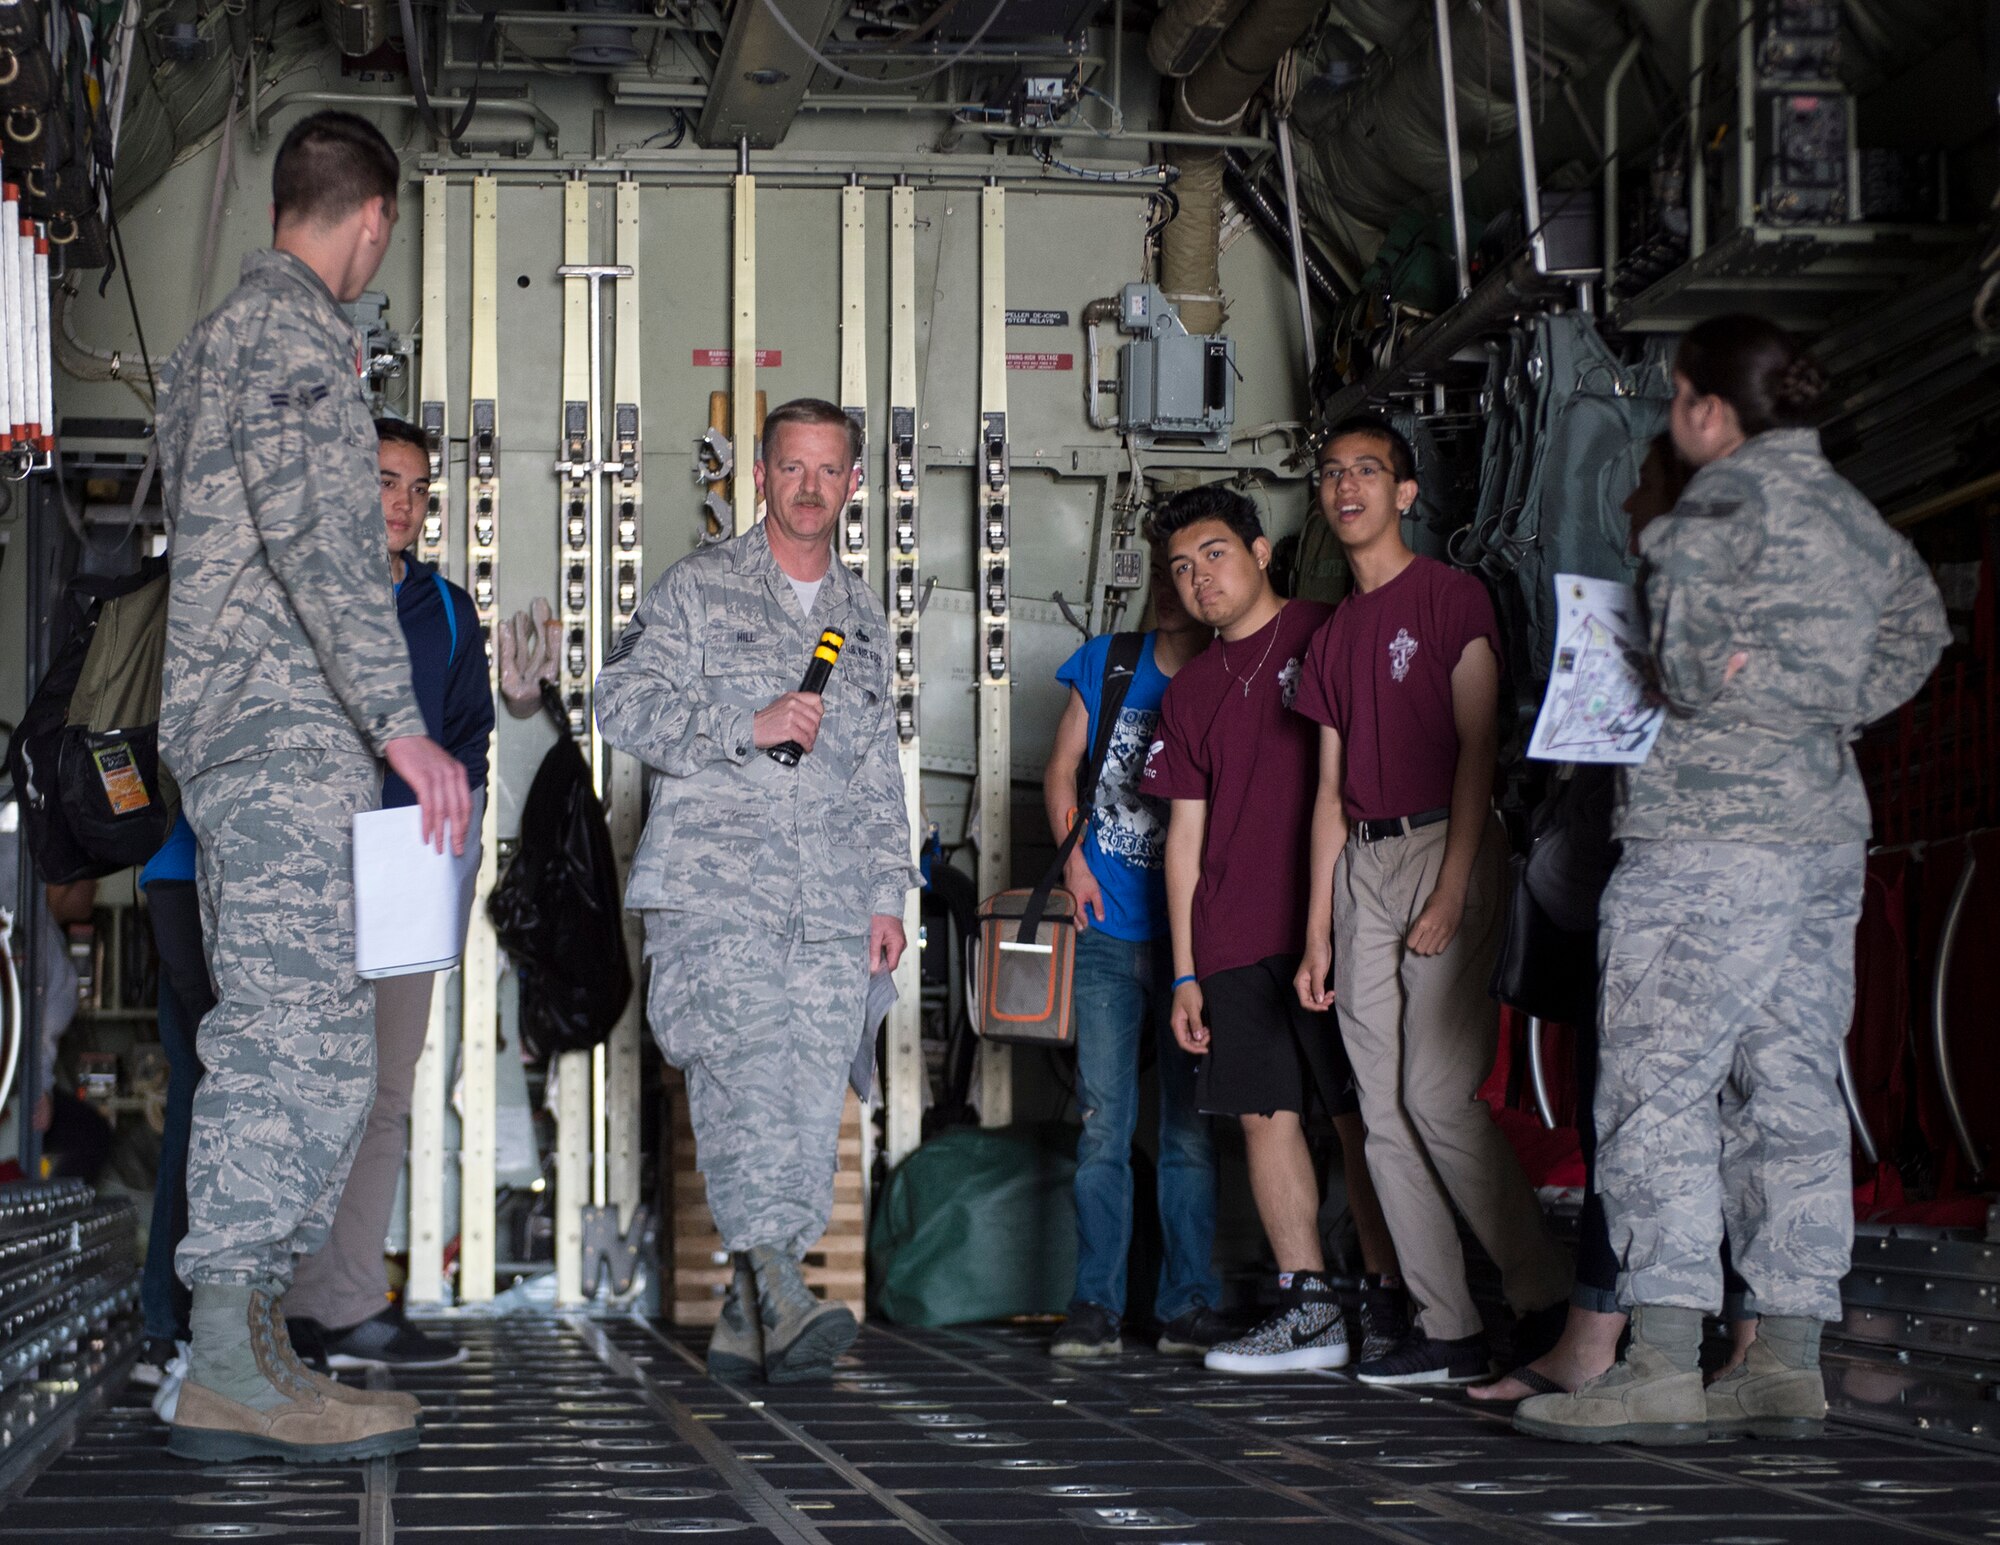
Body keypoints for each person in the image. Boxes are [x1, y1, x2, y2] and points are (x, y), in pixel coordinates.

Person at [1516, 315, 1948, 1445]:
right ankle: (1783, 1358)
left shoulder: (1707, 512)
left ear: (1706, 408)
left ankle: (1657, 1363)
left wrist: (1694, 676)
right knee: (1791, 1089)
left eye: (1674, 402)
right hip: (1817, 835)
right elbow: (1916, 630)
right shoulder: (1851, 518)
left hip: (1706, 838)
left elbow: (1697, 674)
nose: (1672, 421)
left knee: (1657, 1087)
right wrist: (1822, 712)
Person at [156, 109, 470, 1465]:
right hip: (279, 731)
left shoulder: (223, 341)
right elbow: (326, 547)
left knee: (324, 1046)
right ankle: (226, 1351)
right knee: (286, 1038)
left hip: (282, 731)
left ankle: (264, 1344)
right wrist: (403, 726)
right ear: (373, 220)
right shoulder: (291, 336)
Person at [596, 397, 914, 1384]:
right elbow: (621, 703)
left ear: (853, 483)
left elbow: (872, 768)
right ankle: (781, 1284)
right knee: (739, 1080)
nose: (809, 487)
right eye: (791, 468)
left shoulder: (861, 616)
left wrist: (885, 894)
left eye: (829, 470)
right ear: (760, 476)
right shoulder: (696, 589)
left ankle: (745, 1316)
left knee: (811, 1098)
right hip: (714, 891)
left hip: (826, 902)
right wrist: (748, 717)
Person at [1294, 415, 1572, 1387]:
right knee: (1378, 1111)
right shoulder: (1331, 637)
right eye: (1331, 472)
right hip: (1361, 867)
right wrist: (1315, 933)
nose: (1346, 486)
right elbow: (1328, 795)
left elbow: (1474, 749)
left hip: (1440, 847)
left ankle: (1541, 1297)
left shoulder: (1450, 598)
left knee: (1433, 1097)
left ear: (1404, 494)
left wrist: (1454, 885)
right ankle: (1444, 1325)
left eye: (1366, 470)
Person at [1140, 485, 1405, 1376]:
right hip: (1230, 936)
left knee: (1359, 1116)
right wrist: (1184, 971)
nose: (1198, 578)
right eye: (1180, 567)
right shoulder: (1190, 692)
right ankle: (1311, 1310)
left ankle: (1394, 1299)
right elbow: (1183, 840)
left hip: (1333, 925)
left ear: (1260, 551)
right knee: (1265, 1118)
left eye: (1213, 554)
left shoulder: (1332, 632)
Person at [282, 417, 492, 1372]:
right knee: (289, 1086)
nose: (401, 502)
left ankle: (348, 1302)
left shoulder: (447, 611)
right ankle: (268, 1308)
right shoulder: (298, 593)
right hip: (300, 868)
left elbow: (468, 742)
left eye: (416, 487)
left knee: (384, 1093)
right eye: (383, 481)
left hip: (404, 868)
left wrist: (453, 858)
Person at [1044, 551, 1226, 1360]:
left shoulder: (1230, 673)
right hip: (1109, 931)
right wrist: (1073, 856)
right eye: (1167, 569)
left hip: (1196, 937)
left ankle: (1187, 1305)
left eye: (1195, 567)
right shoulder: (1110, 660)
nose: (1177, 584)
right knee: (1103, 1124)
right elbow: (1058, 772)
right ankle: (1095, 1306)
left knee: (1190, 1130)